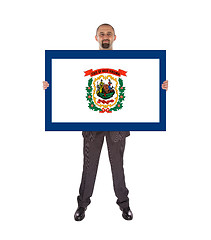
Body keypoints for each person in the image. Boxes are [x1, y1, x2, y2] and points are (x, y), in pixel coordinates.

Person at [43, 23, 168, 221]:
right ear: (96, 38)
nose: (105, 36)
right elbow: (69, 85)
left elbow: (142, 85)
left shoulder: (129, 64)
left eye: (108, 33)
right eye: (102, 34)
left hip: (117, 124)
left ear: (115, 37)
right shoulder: (82, 64)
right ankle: (82, 205)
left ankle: (124, 205)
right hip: (92, 124)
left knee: (117, 166)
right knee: (89, 165)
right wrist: (51, 85)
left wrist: (159, 86)